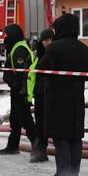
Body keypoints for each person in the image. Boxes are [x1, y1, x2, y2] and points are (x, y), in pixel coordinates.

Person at [35, 13, 88, 176]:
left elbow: (41, 69)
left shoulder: (55, 48)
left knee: (61, 138)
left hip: (58, 100)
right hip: (77, 99)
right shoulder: (84, 49)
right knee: (75, 138)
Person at [0, 24, 37, 159]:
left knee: (26, 119)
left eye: (6, 35)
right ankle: (13, 146)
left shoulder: (20, 49)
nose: (5, 38)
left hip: (20, 90)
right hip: (17, 89)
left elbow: (21, 73)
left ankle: (38, 147)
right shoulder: (17, 47)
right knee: (15, 119)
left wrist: (17, 88)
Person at [30, 28, 54, 163]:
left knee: (51, 122)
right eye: (46, 40)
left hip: (53, 93)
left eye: (51, 39)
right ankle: (41, 150)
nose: (49, 42)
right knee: (40, 123)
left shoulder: (56, 53)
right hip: (39, 92)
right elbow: (30, 74)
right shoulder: (36, 54)